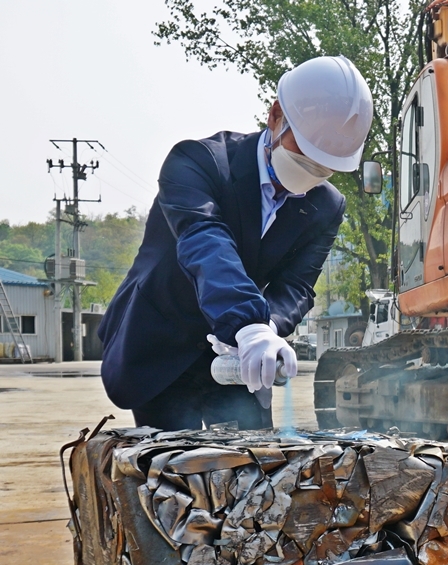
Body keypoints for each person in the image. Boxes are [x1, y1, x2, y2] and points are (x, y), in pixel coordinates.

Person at [98, 55, 373, 430]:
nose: (311, 171)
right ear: (275, 116)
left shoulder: (326, 205)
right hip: (163, 346)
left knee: (251, 471)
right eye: (303, 153)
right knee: (172, 476)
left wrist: (268, 329)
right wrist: (247, 322)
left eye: (324, 166)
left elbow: (296, 285)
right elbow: (206, 243)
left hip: (238, 358)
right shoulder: (197, 164)